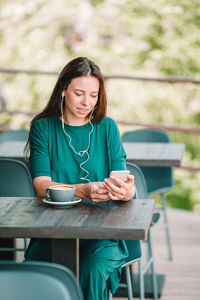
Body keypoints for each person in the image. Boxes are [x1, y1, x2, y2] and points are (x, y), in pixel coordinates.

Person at [24, 57, 135, 300]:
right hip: (52, 229)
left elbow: (122, 177)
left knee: (91, 269)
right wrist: (83, 190)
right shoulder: (43, 127)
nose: (87, 102)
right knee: (40, 274)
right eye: (79, 93)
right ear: (64, 89)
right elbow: (42, 185)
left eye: (93, 95)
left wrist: (126, 191)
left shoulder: (107, 128)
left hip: (102, 232)